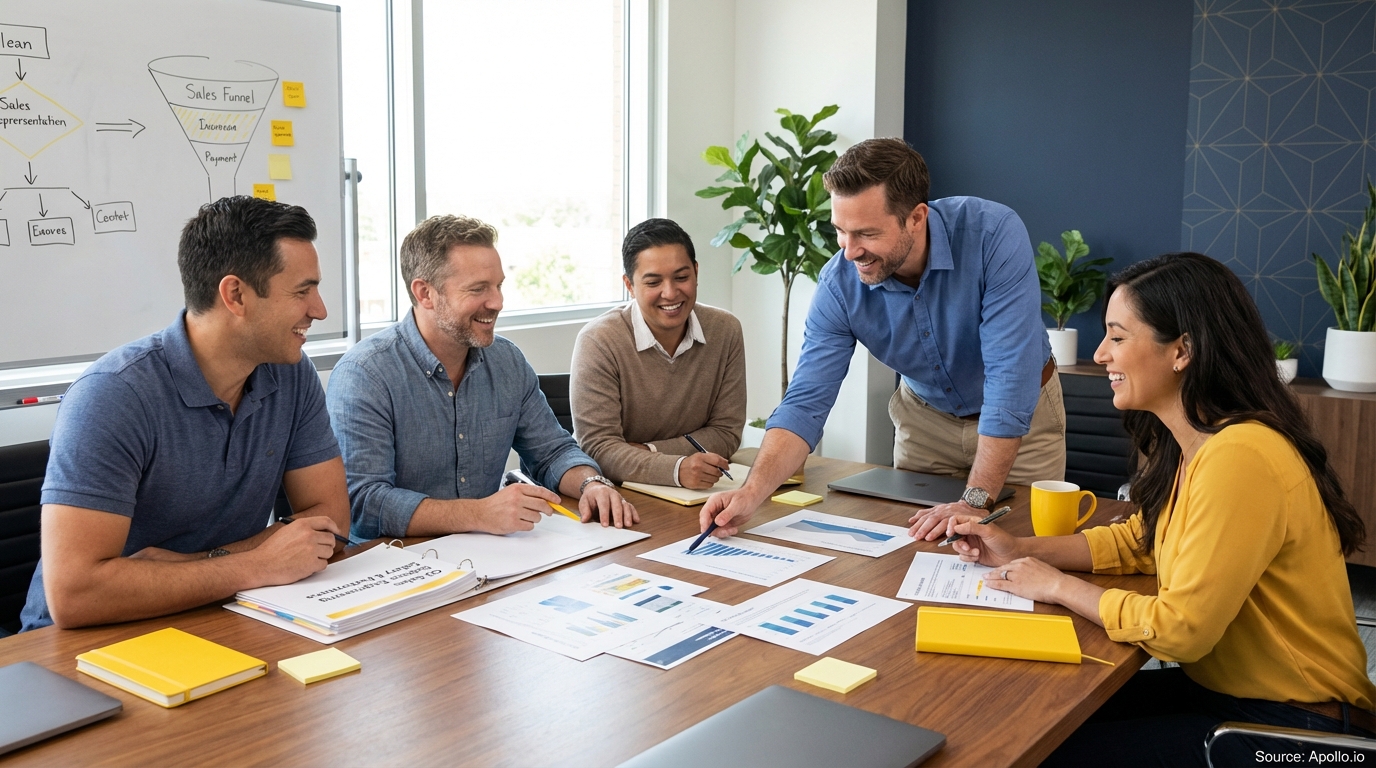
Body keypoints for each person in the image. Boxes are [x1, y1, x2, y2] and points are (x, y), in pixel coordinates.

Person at [942, 252, 1375, 766]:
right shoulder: (1199, 444)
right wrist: (1017, 549)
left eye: (1118, 337)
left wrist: (1056, 585)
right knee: (1032, 715)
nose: (1101, 354)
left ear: (1182, 351)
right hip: (1228, 696)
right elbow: (1141, 542)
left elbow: (1180, 630)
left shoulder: (1241, 456)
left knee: (1041, 749)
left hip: (1294, 730)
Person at [699, 137, 1065, 540]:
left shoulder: (992, 234)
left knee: (1022, 550)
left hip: (1022, 422)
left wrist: (975, 501)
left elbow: (1009, 376)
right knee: (920, 553)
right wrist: (751, 493)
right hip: (924, 422)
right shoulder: (839, 285)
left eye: (866, 234)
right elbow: (806, 401)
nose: (849, 251)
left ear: (917, 217)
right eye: (840, 231)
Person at [20, 197, 350, 631]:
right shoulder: (113, 395)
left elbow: (330, 519)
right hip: (88, 642)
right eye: (302, 291)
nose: (320, 310)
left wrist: (208, 565)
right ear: (235, 295)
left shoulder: (290, 373)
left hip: (221, 611)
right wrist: (255, 565)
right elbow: (75, 594)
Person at [327, 214, 638, 540]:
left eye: (499, 285)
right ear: (424, 293)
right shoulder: (365, 375)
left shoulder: (506, 361)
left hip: (490, 557)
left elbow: (553, 452)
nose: (498, 302)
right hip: (396, 566)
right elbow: (364, 503)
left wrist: (591, 483)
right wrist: (479, 513)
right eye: (478, 289)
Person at [570, 218, 746, 489]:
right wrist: (675, 469)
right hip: (616, 494)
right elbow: (597, 448)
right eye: (653, 282)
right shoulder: (599, 340)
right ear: (629, 285)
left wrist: (647, 451)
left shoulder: (725, 330)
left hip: (697, 493)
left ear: (696, 273)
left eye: (681, 277)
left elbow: (726, 432)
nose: (670, 292)